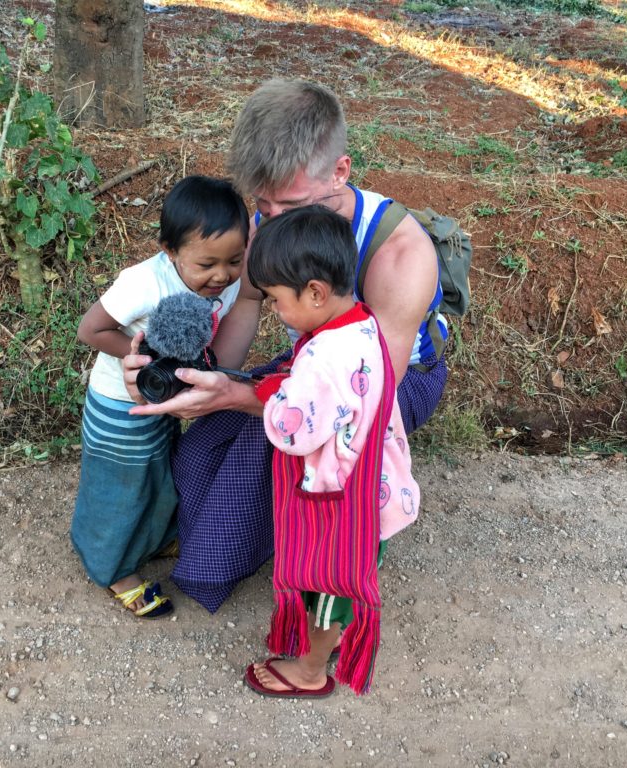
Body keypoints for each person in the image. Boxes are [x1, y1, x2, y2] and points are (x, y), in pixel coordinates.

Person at [127, 79, 447, 612]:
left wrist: (241, 398)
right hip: (315, 362)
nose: (272, 222)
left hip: (392, 383)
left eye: (291, 204)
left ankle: (221, 566)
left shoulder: (399, 257)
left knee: (263, 450)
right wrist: (206, 384)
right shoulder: (272, 217)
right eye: (263, 206)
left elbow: (365, 405)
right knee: (204, 444)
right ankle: (211, 537)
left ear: (340, 172)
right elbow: (248, 302)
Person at [241, 205, 420, 698]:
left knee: (327, 587)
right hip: (377, 490)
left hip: (343, 510)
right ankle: (333, 635)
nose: (276, 310)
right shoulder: (363, 326)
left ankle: (310, 670)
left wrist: (270, 396)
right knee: (345, 584)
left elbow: (292, 431)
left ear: (315, 292)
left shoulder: (321, 357)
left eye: (277, 300)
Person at [70, 175, 248, 618]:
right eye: (207, 264)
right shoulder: (144, 283)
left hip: (162, 403)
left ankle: (149, 538)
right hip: (119, 407)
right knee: (120, 488)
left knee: (158, 473)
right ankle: (113, 568)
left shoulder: (223, 283)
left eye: (235, 260)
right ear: (170, 250)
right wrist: (142, 354)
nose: (221, 276)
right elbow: (90, 329)